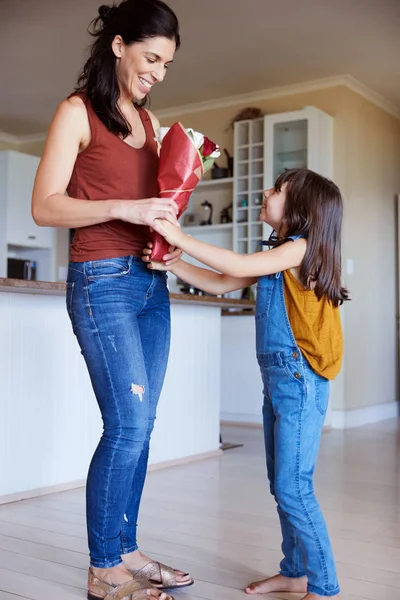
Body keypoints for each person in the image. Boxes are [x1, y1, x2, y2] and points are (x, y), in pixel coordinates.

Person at [32, 1, 193, 599]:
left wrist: (164, 243)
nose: (159, 72)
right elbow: (45, 205)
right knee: (127, 425)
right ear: (119, 45)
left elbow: (151, 207)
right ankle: (104, 568)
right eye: (152, 58)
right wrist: (123, 210)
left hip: (151, 284)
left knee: (143, 427)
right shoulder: (77, 112)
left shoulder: (153, 126)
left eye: (168, 64)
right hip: (101, 281)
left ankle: (127, 549)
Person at [144, 168, 348, 599]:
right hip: (278, 383)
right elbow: (221, 282)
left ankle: (325, 587)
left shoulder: (299, 250)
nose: (265, 192)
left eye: (277, 191)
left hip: (300, 383)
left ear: (300, 211)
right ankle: (295, 572)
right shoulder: (275, 256)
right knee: (282, 485)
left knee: (295, 488)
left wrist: (180, 239)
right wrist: (175, 263)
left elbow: (235, 264)